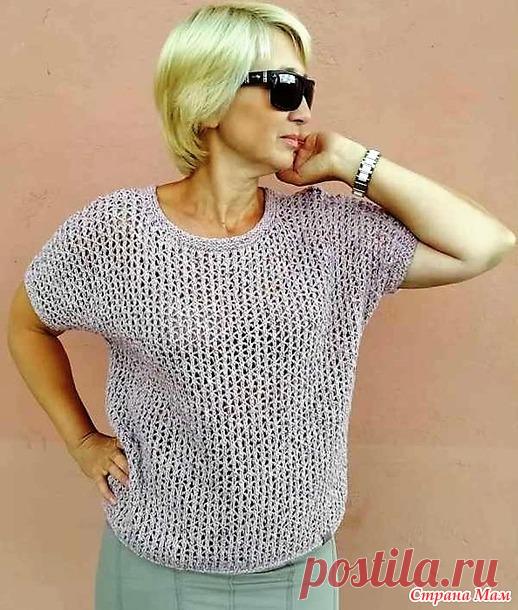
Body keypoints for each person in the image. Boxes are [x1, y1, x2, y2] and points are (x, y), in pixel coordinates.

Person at [7, 2, 515, 610]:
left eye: (306, 90)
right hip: (155, 568)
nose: (303, 110)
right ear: (207, 97)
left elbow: (485, 245)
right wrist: (82, 440)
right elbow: (28, 325)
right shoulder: (114, 234)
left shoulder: (329, 232)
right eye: (283, 88)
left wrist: (353, 162)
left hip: (299, 574)